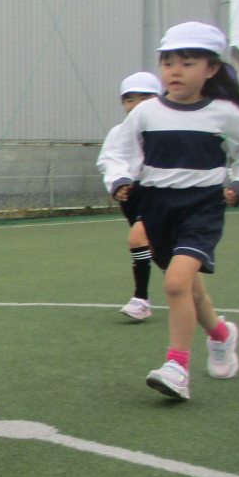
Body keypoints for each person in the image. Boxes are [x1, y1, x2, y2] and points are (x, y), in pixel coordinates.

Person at [97, 21, 239, 400]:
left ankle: (177, 367)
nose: (175, 71)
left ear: (211, 68)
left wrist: (238, 184)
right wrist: (120, 179)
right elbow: (119, 151)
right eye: (168, 62)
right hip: (157, 209)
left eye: (187, 63)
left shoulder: (225, 114)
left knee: (176, 283)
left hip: (201, 209)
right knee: (190, 290)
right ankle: (221, 335)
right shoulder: (147, 113)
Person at [96, 71, 163, 320]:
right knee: (155, 250)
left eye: (145, 98)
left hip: (159, 194)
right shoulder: (118, 132)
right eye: (129, 99)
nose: (136, 105)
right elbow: (108, 160)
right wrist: (118, 183)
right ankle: (186, 288)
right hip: (131, 196)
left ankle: (140, 299)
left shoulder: (167, 131)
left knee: (137, 238)